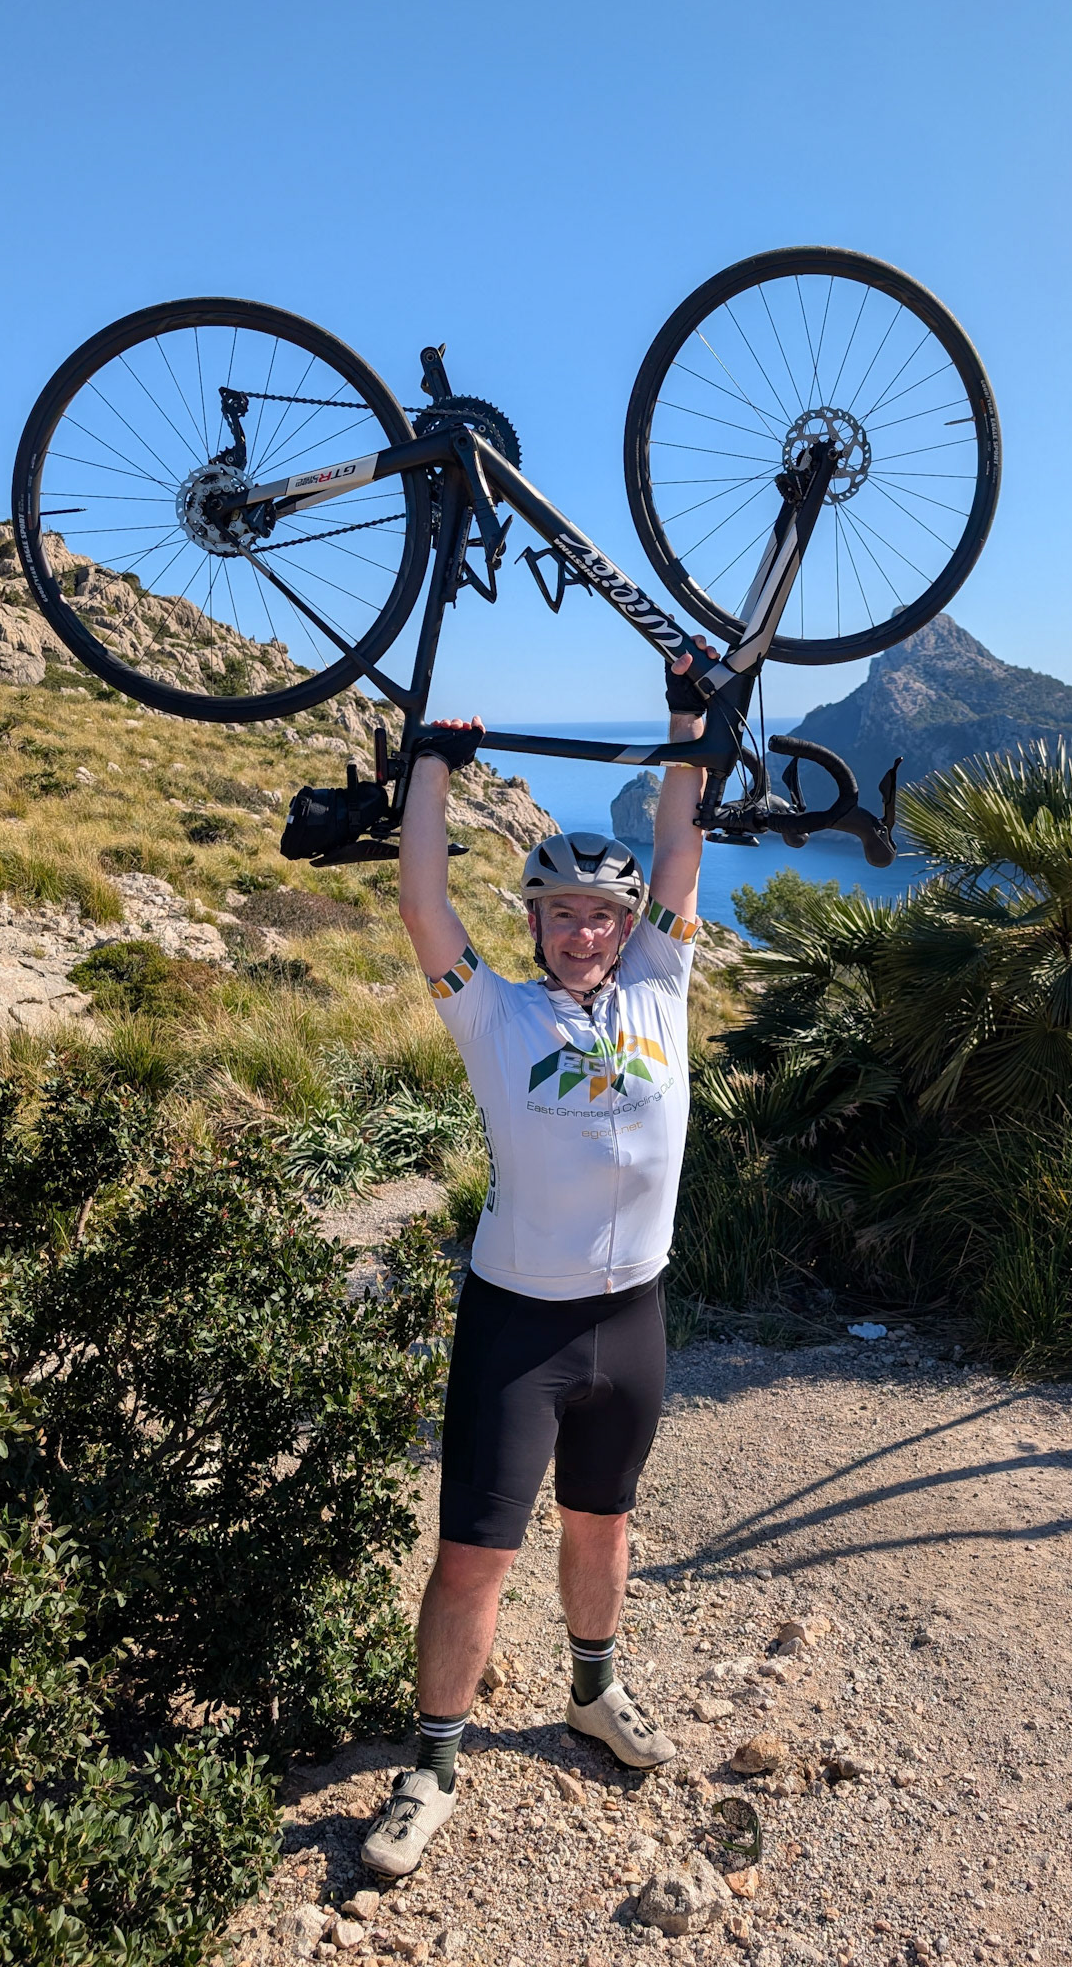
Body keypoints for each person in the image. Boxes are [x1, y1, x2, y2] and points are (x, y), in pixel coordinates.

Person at [361, 644, 718, 1877]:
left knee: (605, 1524)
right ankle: (431, 1764)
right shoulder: (494, 1011)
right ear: (535, 921)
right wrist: (430, 769)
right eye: (562, 912)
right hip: (520, 1324)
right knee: (475, 1553)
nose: (584, 931)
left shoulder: (662, 982)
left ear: (628, 925)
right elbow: (421, 906)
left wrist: (687, 716)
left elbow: (679, 847)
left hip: (634, 1315)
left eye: (603, 913)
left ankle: (593, 1692)